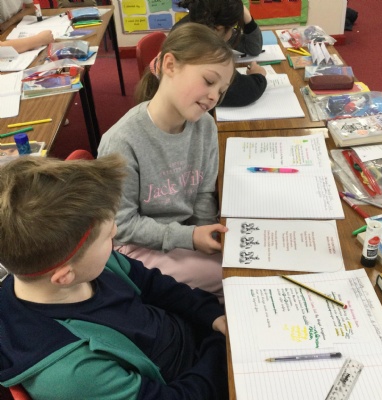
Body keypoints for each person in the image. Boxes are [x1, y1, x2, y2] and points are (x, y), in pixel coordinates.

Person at [0, 155, 228, 400]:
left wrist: (211, 315)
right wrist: (222, 347)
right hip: (198, 379)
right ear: (65, 276)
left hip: (198, 345)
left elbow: (152, 283)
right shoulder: (75, 374)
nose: (116, 233)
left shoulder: (80, 266)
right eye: (108, 237)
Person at [98, 23, 234, 303]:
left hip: (181, 237)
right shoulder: (122, 141)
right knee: (234, 277)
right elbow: (122, 225)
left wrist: (207, 234)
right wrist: (191, 238)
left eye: (221, 90)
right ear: (170, 65)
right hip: (134, 251)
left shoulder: (205, 126)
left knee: (240, 261)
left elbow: (203, 194)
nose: (214, 96)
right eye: (209, 81)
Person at [174, 0, 267, 107]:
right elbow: (244, 91)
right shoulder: (196, 48)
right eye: (232, 27)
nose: (232, 32)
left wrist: (247, 18)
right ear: (219, 29)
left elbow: (253, 48)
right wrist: (259, 76)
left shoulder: (204, 22)